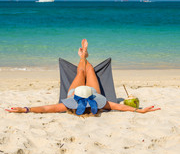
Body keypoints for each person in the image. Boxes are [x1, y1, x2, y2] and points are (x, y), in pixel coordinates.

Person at [6, 39, 161, 115]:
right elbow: (120, 107)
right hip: (91, 91)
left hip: (76, 91)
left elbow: (47, 108)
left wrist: (25, 109)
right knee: (89, 69)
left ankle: (82, 56)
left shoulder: (70, 103)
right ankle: (84, 56)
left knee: (80, 72)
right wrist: (139, 111)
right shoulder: (100, 103)